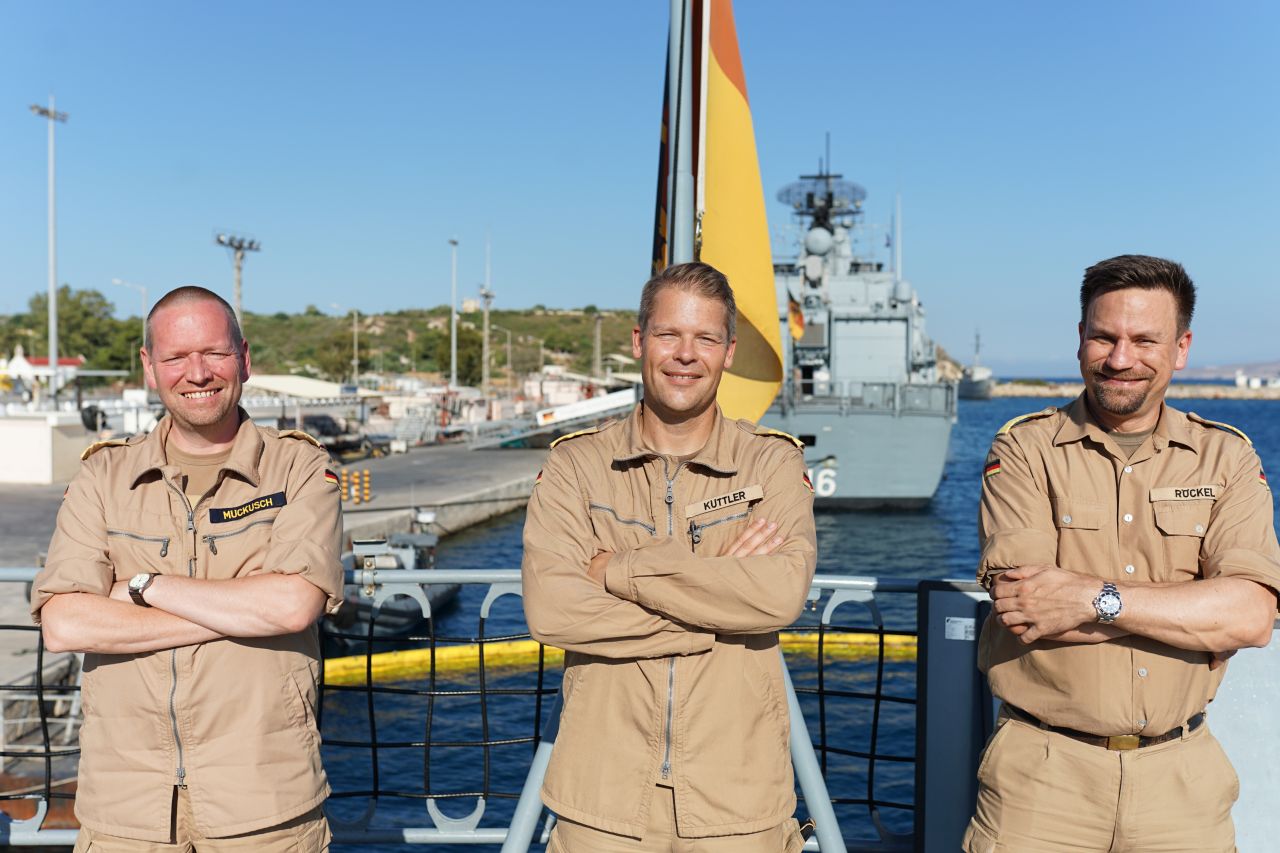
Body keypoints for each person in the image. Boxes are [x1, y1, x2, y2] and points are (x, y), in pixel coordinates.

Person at [963, 255, 1280, 852]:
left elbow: (1250, 616)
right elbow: (1026, 608)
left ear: (1181, 348)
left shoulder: (1227, 458)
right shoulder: (1026, 449)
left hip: (1182, 785)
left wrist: (1090, 598)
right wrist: (1193, 611)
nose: (1120, 358)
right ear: (1081, 338)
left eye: (1144, 340)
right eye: (1104, 336)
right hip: (1041, 780)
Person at [33, 286, 343, 851]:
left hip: (265, 806)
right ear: (150, 367)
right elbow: (65, 624)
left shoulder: (298, 466)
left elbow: (294, 605)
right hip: (126, 811)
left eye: (214, 353)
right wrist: (241, 608)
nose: (197, 373)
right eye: (176, 357)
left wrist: (148, 588)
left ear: (244, 359)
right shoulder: (105, 476)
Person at [521, 262, 817, 852]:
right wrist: (716, 610)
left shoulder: (771, 464)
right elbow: (554, 610)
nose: (686, 355)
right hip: (601, 799)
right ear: (639, 341)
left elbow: (780, 594)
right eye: (668, 334)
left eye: (706, 338)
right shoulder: (576, 467)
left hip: (739, 800)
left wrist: (618, 572)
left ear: (729, 352)